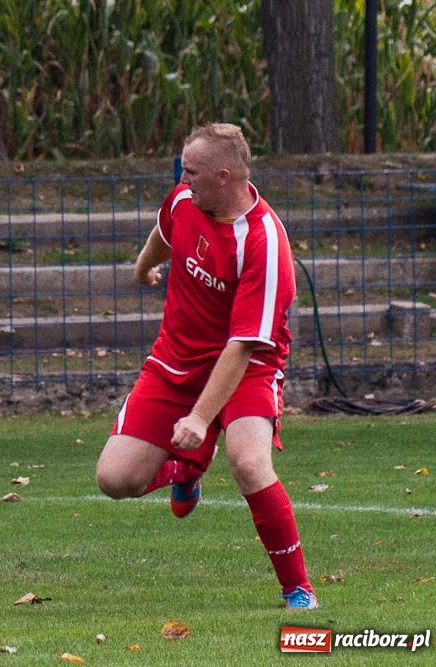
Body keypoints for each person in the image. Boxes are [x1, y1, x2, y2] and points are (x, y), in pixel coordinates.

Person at [95, 123, 318, 610]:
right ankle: (188, 467)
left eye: (190, 170)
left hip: (249, 367)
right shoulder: (185, 202)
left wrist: (199, 418)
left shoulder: (264, 242)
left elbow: (242, 346)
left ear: (223, 176)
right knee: (115, 480)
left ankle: (297, 588)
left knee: (249, 462)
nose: (182, 177)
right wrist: (141, 265)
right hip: (175, 361)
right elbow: (164, 231)